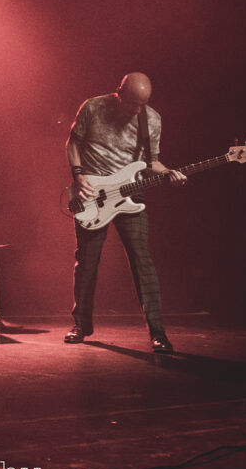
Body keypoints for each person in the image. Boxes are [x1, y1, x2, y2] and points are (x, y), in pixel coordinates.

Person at [64, 72, 187, 353]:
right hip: (93, 193)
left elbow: (151, 162)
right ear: (119, 93)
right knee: (86, 262)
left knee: (142, 260)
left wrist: (168, 172)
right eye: (133, 103)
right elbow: (72, 142)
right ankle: (80, 325)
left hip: (130, 194)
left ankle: (158, 333)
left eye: (142, 104)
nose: (137, 110)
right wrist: (79, 175)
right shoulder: (93, 107)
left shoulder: (151, 119)